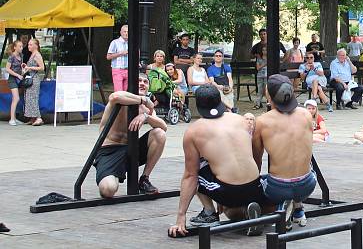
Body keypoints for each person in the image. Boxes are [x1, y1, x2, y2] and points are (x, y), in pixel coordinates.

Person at [168, 85, 266, 237]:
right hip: (255, 186)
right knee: (230, 211)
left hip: (228, 190)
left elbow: (190, 176)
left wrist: (181, 216)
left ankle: (209, 212)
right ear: (220, 101)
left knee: (196, 168)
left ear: (199, 107)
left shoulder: (194, 131)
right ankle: (246, 211)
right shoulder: (242, 120)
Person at [252, 75, 317, 229]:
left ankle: (281, 209)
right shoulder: (306, 115)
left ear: (269, 96)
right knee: (305, 171)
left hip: (278, 187)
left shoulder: (262, 122)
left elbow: (256, 161)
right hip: (308, 184)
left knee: (259, 182)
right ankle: (298, 209)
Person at [94, 73, 167, 198]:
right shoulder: (122, 98)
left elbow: (163, 126)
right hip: (109, 150)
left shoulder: (146, 109)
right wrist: (142, 99)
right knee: (108, 190)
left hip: (130, 149)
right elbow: (114, 97)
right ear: (130, 84)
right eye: (139, 80)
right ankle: (111, 176)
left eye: (145, 82)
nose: (142, 83)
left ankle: (144, 179)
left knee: (159, 133)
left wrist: (146, 116)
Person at [22, 38, 45, 126]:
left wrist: (30, 68)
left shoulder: (37, 55)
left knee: (33, 99)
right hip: (30, 78)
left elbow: (42, 67)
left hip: (34, 79)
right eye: (28, 44)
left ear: (36, 46)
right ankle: (33, 118)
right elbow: (31, 67)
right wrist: (26, 67)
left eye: (31, 45)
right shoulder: (32, 55)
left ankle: (39, 118)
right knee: (29, 98)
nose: (29, 46)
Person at [5, 40, 24, 125]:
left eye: (22, 46)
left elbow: (20, 67)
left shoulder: (21, 55)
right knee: (16, 98)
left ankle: (14, 118)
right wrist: (17, 75)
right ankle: (12, 119)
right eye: (19, 46)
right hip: (12, 79)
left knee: (15, 99)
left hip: (19, 79)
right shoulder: (11, 57)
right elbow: (7, 69)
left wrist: (23, 69)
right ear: (15, 47)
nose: (21, 48)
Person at [106, 25, 129, 92]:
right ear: (120, 32)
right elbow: (108, 57)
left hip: (128, 70)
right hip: (118, 69)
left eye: (128, 32)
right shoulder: (115, 42)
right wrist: (120, 53)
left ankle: (122, 103)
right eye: (124, 32)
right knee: (119, 92)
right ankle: (118, 102)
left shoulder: (131, 43)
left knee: (125, 93)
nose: (126, 33)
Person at [255, 45, 269, 110]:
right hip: (260, 76)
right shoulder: (259, 58)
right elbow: (258, 68)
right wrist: (264, 64)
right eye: (263, 50)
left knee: (267, 90)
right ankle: (257, 104)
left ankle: (268, 103)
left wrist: (262, 66)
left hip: (267, 76)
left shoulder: (269, 59)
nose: (264, 51)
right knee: (260, 90)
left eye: (265, 50)